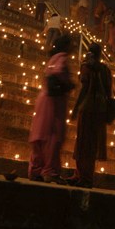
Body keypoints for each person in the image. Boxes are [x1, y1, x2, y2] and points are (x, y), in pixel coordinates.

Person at [28, 34, 75, 184]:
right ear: (66, 46)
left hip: (44, 98)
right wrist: (69, 85)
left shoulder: (51, 59)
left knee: (40, 134)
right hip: (55, 102)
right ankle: (49, 171)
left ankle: (36, 169)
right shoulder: (62, 58)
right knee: (53, 135)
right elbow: (59, 72)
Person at [68, 43, 113, 188]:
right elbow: (108, 91)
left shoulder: (87, 67)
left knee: (83, 142)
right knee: (92, 144)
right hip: (100, 111)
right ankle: (84, 176)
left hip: (87, 109)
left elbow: (84, 89)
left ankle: (82, 176)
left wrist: (75, 108)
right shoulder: (106, 69)